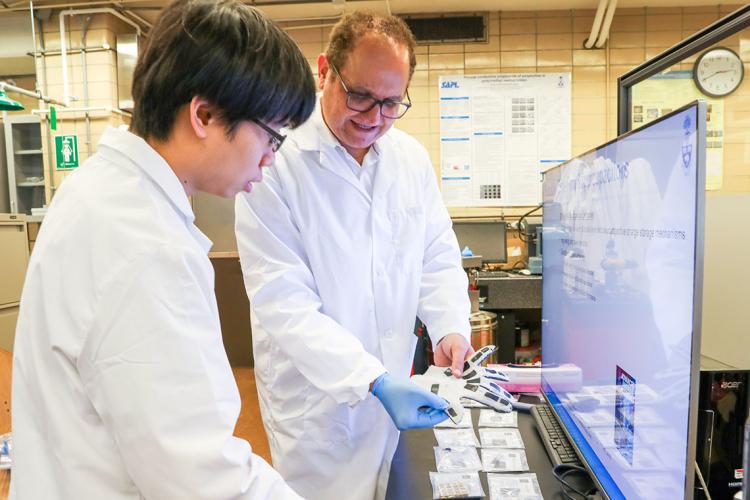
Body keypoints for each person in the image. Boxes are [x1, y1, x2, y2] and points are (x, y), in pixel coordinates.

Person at [10, 1, 315, 498]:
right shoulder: (144, 244)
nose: (269, 160)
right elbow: (199, 473)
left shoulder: (102, 188)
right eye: (272, 136)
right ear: (205, 114)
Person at [234, 11, 472, 500]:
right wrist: (373, 380)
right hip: (318, 410)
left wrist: (450, 325)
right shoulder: (275, 161)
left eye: (390, 103)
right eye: (359, 95)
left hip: (395, 401)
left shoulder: (409, 159)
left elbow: (436, 254)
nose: (372, 118)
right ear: (324, 70)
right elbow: (283, 302)